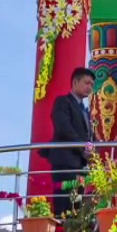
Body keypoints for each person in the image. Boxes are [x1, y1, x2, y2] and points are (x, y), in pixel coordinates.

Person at [42, 67, 95, 219]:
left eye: (92, 85)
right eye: (86, 83)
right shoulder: (63, 102)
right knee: (64, 202)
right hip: (65, 161)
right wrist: (83, 148)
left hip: (80, 165)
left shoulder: (86, 111)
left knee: (77, 202)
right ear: (75, 82)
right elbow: (64, 128)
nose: (89, 87)